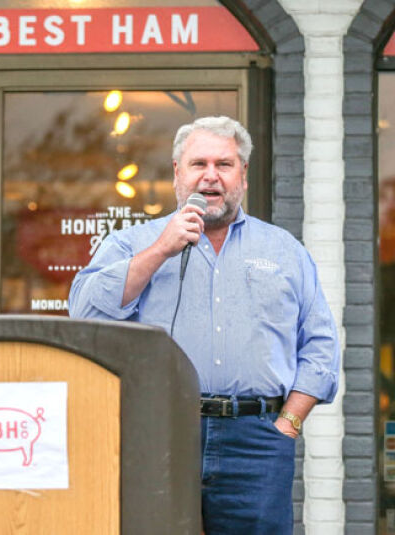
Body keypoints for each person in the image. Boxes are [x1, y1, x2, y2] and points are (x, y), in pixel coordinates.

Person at [69, 116, 339, 534]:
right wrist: (162, 249)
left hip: (258, 441)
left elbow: (320, 346)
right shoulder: (134, 243)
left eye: (224, 164)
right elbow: (85, 313)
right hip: (159, 432)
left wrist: (288, 424)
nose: (210, 176)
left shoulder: (285, 250)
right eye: (198, 164)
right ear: (178, 173)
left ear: (243, 175)